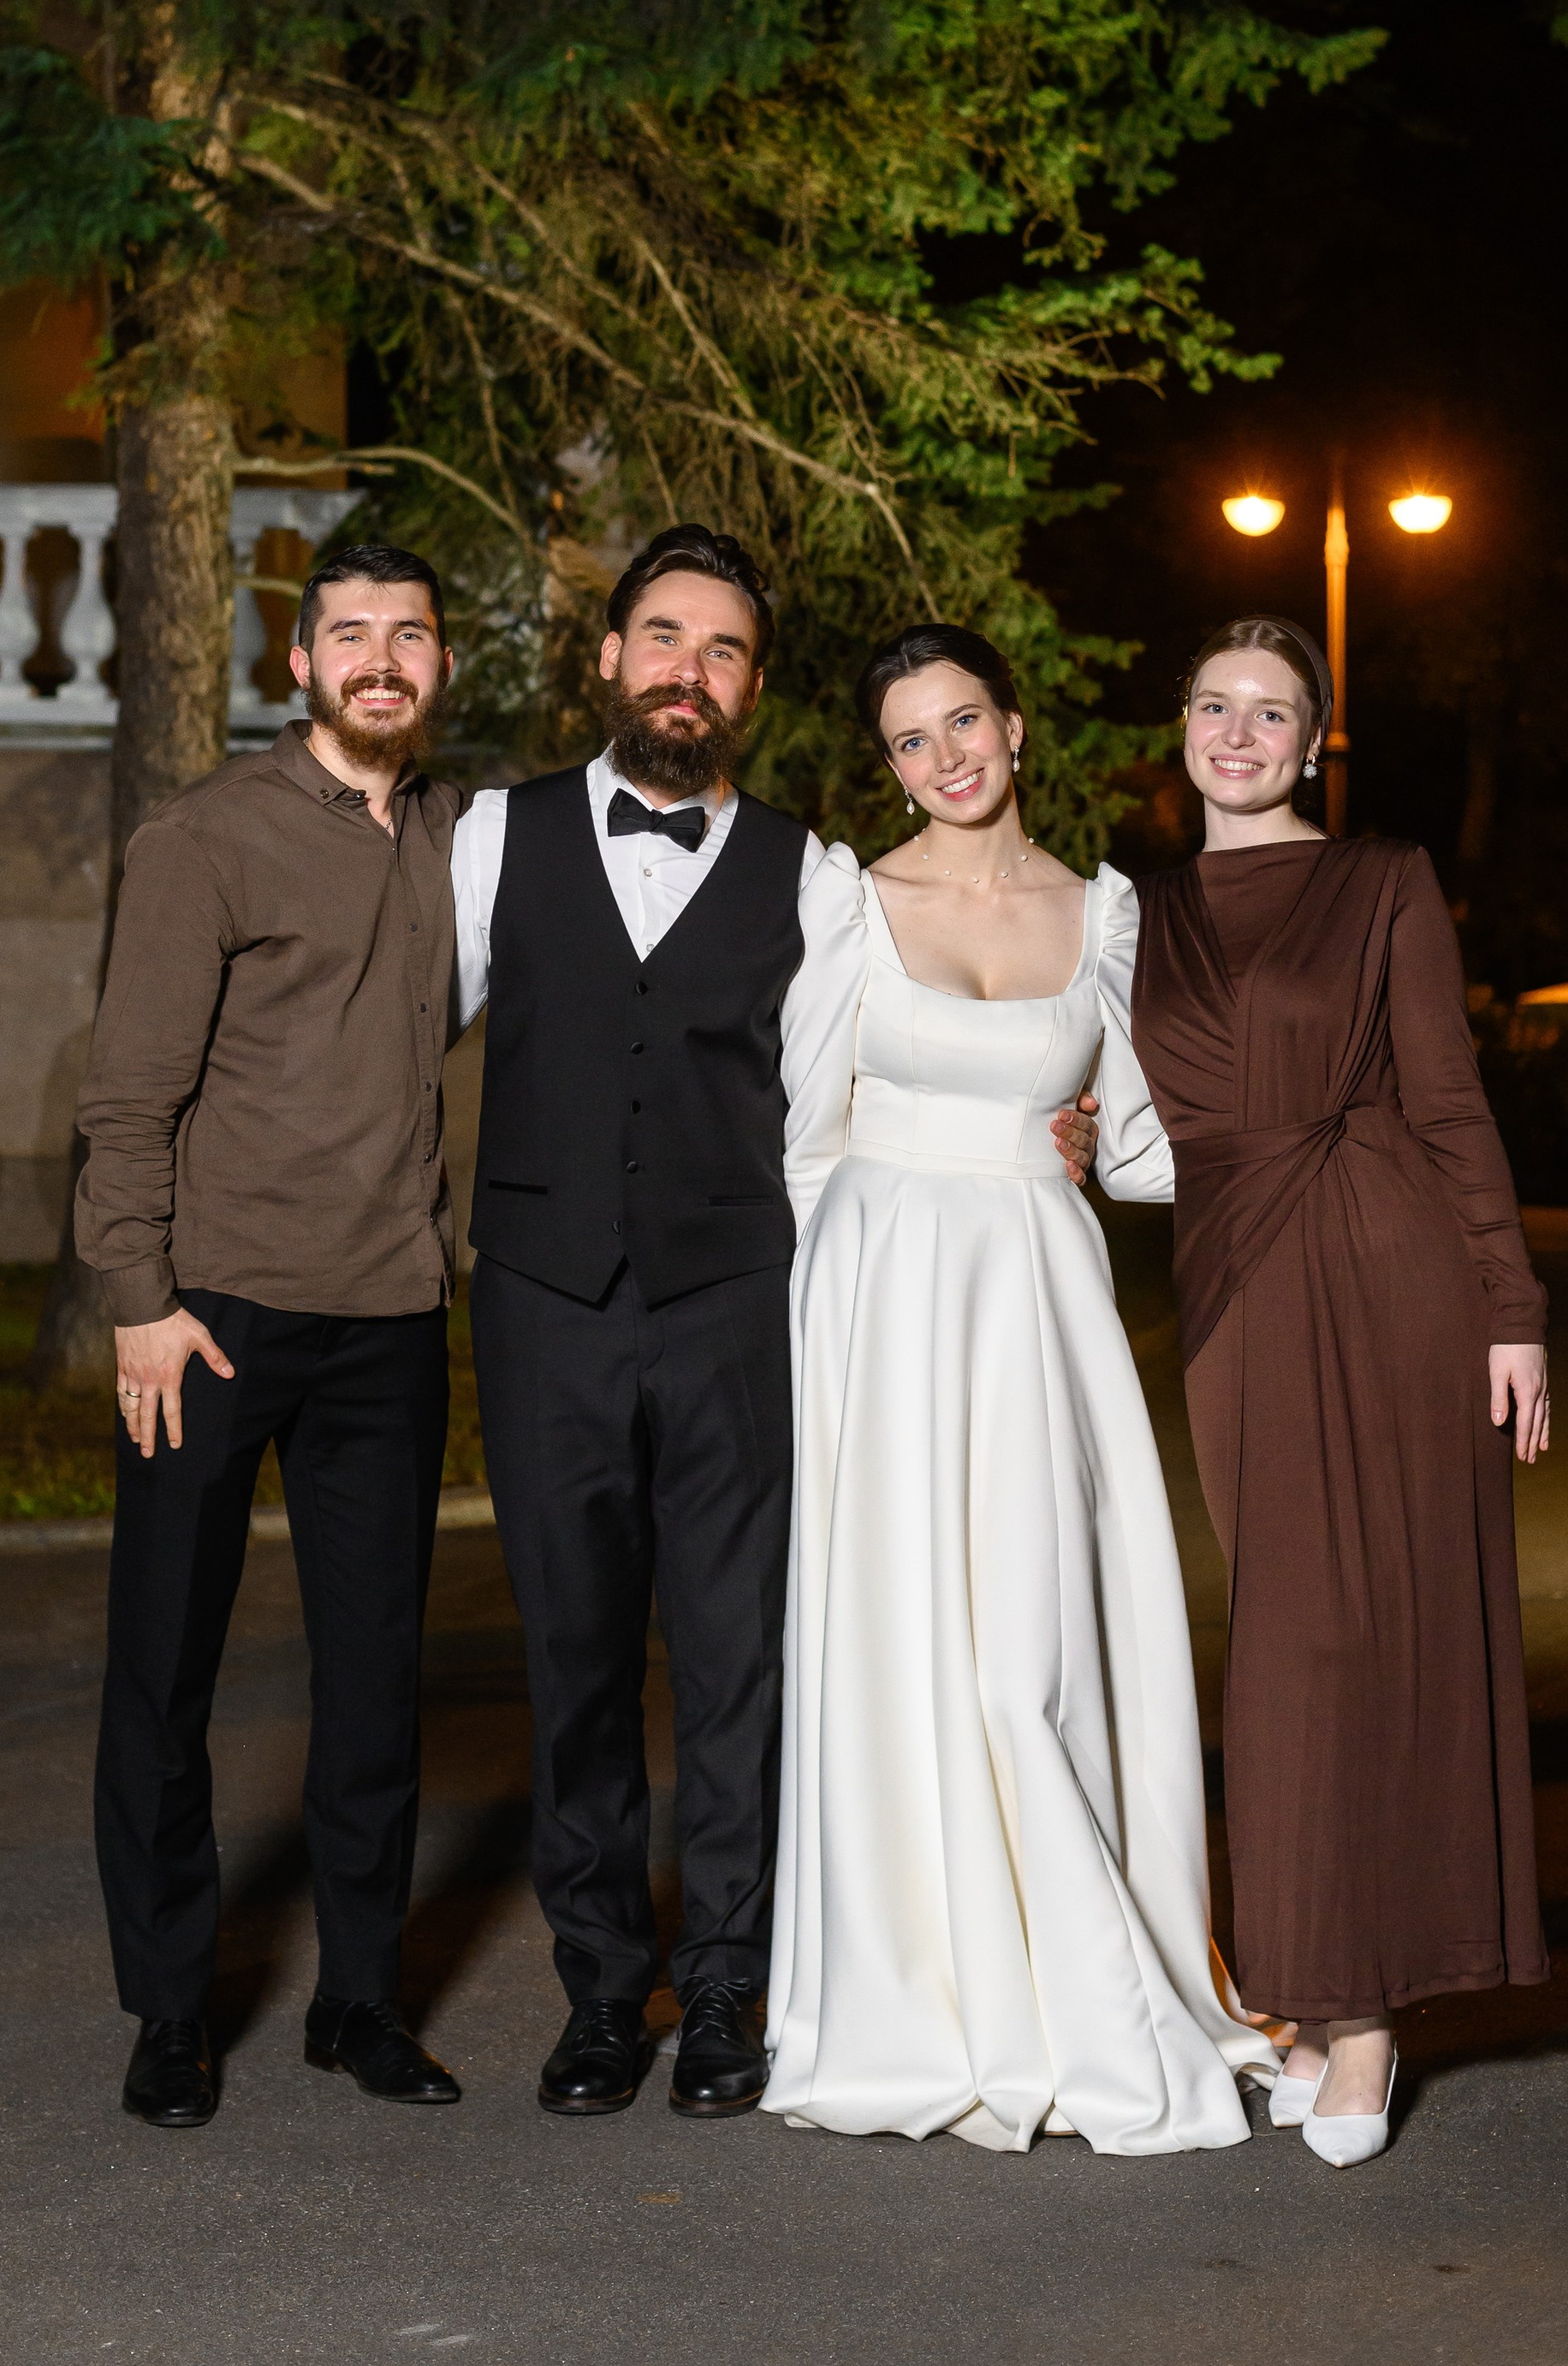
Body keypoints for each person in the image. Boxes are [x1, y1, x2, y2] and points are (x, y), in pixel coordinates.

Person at [449, 528, 1096, 2119]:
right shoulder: (489, 838)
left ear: (752, 689)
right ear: (608, 660)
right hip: (543, 1309)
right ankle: (605, 1991)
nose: (688, 669)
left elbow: (875, 1076)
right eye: (661, 637)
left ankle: (729, 1991)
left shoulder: (818, 877)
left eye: (722, 649)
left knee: (742, 1658)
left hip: (743, 1303)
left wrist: (1062, 1118)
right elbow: (385, 1040)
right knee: (579, 1659)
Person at [762, 622, 1276, 2154]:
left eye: (964, 723)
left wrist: (1153, 1143)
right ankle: (920, 1996)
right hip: (884, 1292)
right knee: (904, 1649)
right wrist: (824, 1334)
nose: (945, 758)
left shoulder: (1109, 912)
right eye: (913, 739)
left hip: (1038, 1292)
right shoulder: (850, 902)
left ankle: (1088, 1996)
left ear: (1018, 728)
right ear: (892, 761)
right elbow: (804, 1138)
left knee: (1026, 1657)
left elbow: (1140, 1144)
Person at [1129, 615, 1550, 2169]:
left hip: (1386, 1270)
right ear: (1183, 725)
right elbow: (1121, 1105)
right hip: (1234, 1286)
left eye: (1273, 713)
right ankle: (1306, 1994)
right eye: (1214, 704)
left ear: (1314, 744)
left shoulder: (1380, 880)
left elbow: (1448, 1095)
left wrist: (1511, 1305)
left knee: (1364, 1633)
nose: (1239, 733)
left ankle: (1361, 2019)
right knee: (1289, 1646)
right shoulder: (1148, 912)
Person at [76, 541, 468, 2131]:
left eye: (412, 636)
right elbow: (125, 1098)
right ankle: (173, 2010)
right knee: (163, 1673)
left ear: (441, 667)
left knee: (374, 1682)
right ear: (297, 663)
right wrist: (139, 1302)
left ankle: (358, 2001)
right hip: (210, 1319)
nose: (383, 659)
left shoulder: (455, 835)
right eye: (352, 634)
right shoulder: (208, 840)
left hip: (387, 1318)